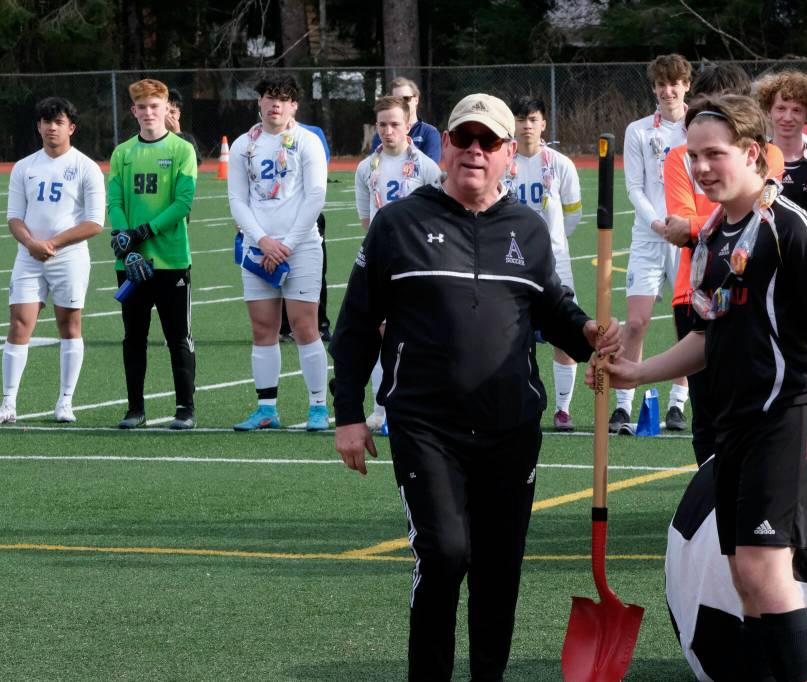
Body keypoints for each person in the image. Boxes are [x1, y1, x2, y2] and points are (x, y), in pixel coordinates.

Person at [331, 93, 620, 680]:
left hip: (511, 428)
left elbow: (553, 310)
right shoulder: (399, 224)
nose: (475, 151)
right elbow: (356, 324)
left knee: (498, 569)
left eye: (489, 142)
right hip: (426, 425)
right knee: (444, 554)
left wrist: (589, 333)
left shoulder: (529, 229)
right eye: (464, 138)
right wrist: (348, 414)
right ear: (446, 145)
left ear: (509, 153)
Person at [594, 94, 807, 681]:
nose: (702, 167)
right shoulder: (710, 236)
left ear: (752, 152)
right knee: (742, 575)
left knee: (764, 570)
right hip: (732, 421)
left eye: (715, 154)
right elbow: (707, 336)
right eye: (694, 156)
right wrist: (635, 372)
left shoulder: (791, 226)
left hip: (786, 415)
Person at [661, 64, 786, 465]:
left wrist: (695, 227)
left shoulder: (769, 154)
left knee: (758, 403)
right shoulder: (678, 159)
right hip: (695, 293)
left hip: (755, 291)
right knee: (707, 413)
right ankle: (712, 494)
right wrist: (695, 226)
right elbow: (681, 223)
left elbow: (756, 212)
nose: (704, 165)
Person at [228, 74, 330, 432]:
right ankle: (266, 408)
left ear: (294, 105)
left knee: (305, 327)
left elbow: (316, 196)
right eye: (270, 97)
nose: (276, 104)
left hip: (300, 247)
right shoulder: (243, 145)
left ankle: (318, 406)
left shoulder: (307, 141)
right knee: (263, 329)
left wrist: (287, 243)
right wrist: (262, 241)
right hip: (259, 248)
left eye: (283, 99)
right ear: (259, 101)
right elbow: (238, 199)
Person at [1, 97, 105, 424]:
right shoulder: (24, 167)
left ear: (71, 127)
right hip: (29, 257)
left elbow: (94, 222)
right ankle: (8, 403)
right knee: (19, 323)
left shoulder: (86, 167)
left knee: (69, 326)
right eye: (46, 122)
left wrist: (53, 243)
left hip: (69, 258)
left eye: (58, 122)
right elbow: (14, 218)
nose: (52, 128)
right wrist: (32, 243)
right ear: (38, 126)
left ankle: (65, 402)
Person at [108, 78, 198, 430]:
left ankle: (185, 409)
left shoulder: (181, 150)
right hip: (131, 261)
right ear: (133, 111)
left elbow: (182, 203)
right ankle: (135, 409)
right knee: (134, 337)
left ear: (166, 109)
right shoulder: (122, 153)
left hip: (171, 259)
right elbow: (115, 200)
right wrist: (123, 236)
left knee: (178, 337)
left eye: (155, 107)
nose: (148, 113)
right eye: (142, 107)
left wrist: (143, 232)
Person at [613, 53, 692, 435]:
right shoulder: (639, 130)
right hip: (649, 235)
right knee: (635, 323)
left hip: (687, 234)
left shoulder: (699, 126)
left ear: (686, 85)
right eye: (661, 84)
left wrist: (683, 225)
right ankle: (623, 403)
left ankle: (678, 403)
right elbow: (634, 187)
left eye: (674, 83)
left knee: (686, 324)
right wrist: (657, 223)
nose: (667, 91)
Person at [354, 95, 442, 432]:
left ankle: (417, 406)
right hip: (382, 263)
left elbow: (438, 216)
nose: (388, 131)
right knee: (382, 335)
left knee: (416, 335)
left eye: (394, 124)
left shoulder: (426, 167)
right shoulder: (366, 168)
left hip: (417, 261)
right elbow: (366, 219)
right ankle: (381, 408)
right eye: (382, 125)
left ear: (408, 126)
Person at [508, 96, 583, 431]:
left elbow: (572, 215)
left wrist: (550, 244)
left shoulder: (560, 164)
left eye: (533, 119)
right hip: (509, 262)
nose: (527, 126)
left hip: (555, 263)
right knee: (510, 336)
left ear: (543, 124)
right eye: (521, 119)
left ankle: (563, 409)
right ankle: (515, 404)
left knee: (563, 334)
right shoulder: (503, 161)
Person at [280, 121, 332, 342]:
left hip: (308, 215)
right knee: (278, 270)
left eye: (286, 103)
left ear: (293, 105)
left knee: (315, 270)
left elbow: (321, 166)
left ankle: (320, 324)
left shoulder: (312, 134)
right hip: (276, 216)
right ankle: (284, 327)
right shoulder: (259, 137)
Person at [756, 70, 807, 217]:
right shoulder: (754, 160)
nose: (788, 118)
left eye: (796, 110)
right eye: (781, 108)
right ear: (769, 111)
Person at [370, 77, 441, 163]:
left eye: (406, 98)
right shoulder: (383, 134)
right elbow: (373, 165)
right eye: (397, 100)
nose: (402, 103)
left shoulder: (429, 133)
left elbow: (430, 167)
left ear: (416, 100)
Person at [166, 88, 202, 165]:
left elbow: (196, 161)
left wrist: (177, 134)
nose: (168, 116)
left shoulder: (188, 138)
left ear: (178, 115)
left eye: (172, 112)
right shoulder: (151, 136)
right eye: (165, 111)